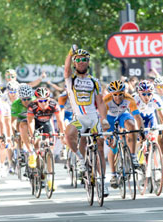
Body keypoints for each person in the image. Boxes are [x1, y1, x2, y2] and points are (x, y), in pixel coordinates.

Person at [63, 46, 110, 196]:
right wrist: (70, 54)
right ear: (75, 63)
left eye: (84, 60)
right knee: (69, 133)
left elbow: (100, 102)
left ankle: (103, 181)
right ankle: (80, 159)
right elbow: (66, 70)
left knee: (100, 148)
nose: (81, 62)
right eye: (78, 60)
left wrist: (103, 119)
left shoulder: (94, 81)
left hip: (93, 118)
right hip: (79, 118)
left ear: (88, 62)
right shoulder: (71, 79)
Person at [103, 80, 143, 188]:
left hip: (123, 115)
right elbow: (102, 119)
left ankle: (133, 156)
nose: (118, 97)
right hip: (109, 118)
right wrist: (107, 135)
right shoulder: (106, 100)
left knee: (132, 126)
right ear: (110, 94)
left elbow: (137, 117)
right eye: (115, 95)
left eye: (120, 94)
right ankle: (113, 175)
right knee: (113, 146)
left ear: (124, 92)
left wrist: (141, 131)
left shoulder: (129, 98)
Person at [26, 87, 64, 169]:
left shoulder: (54, 104)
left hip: (47, 122)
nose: (43, 103)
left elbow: (60, 120)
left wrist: (62, 133)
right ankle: (35, 161)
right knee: (36, 142)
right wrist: (33, 135)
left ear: (49, 99)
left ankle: (50, 174)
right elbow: (30, 122)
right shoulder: (32, 106)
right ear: (36, 100)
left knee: (50, 147)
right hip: (36, 123)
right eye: (40, 101)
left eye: (45, 100)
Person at [11, 84, 36, 166]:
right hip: (21, 120)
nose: (26, 101)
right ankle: (21, 149)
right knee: (20, 126)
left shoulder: (35, 101)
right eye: (24, 99)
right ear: (20, 98)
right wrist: (14, 133)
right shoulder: (16, 104)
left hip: (34, 119)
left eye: (28, 99)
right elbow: (12, 121)